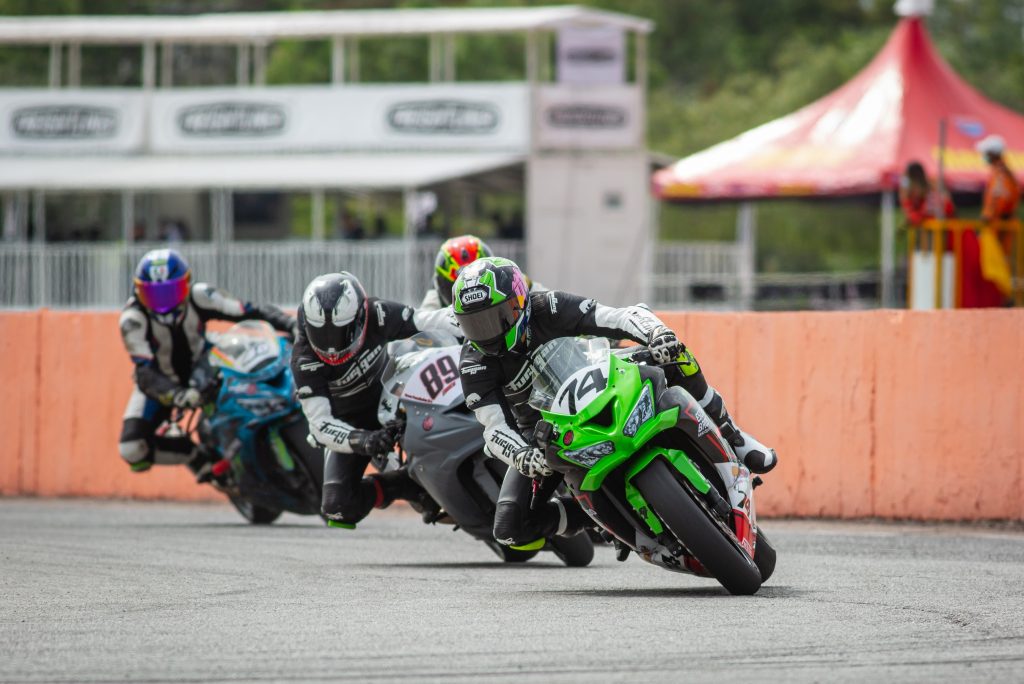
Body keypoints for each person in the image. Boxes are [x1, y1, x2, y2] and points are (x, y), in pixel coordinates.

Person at [452, 257, 777, 549]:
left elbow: (618, 316)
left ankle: (733, 435)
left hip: (597, 384)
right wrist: (523, 456)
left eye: (493, 319)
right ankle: (594, 519)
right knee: (509, 528)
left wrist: (656, 334)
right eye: (474, 324)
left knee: (674, 355)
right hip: (545, 438)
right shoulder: (473, 363)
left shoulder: (546, 306)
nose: (485, 333)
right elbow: (493, 428)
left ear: (518, 304)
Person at [292, 271, 461, 529]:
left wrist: (472, 320)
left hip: (395, 393)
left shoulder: (378, 313)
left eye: (340, 333)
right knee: (337, 508)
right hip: (351, 421)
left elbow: (430, 319)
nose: (331, 347)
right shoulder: (304, 360)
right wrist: (362, 440)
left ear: (360, 316)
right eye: (322, 334)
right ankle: (404, 484)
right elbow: (320, 424)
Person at [118, 249, 296, 476]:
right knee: (132, 450)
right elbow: (144, 372)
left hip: (205, 363)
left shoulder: (200, 295)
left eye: (170, 292)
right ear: (139, 291)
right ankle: (196, 457)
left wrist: (291, 324)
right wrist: (176, 395)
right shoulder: (132, 319)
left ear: (186, 285)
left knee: (258, 362)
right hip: (161, 381)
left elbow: (250, 310)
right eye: (153, 294)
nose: (163, 302)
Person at [419, 234, 542, 314]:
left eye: (480, 285)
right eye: (457, 289)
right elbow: (421, 325)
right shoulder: (433, 300)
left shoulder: (514, 279)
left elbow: (544, 298)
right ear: (440, 284)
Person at [977, 135, 1020, 226]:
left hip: (998, 226)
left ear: (993, 154)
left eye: (986, 154)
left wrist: (987, 216)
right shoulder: (1000, 172)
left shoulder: (1001, 174)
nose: (984, 157)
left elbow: (1001, 198)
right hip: (998, 225)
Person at [899, 160, 954, 227]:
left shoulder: (932, 189)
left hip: (942, 229)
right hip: (928, 231)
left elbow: (948, 208)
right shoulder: (910, 196)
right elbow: (913, 217)